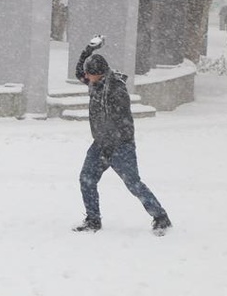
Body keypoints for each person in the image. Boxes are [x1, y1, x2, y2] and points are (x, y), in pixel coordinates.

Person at [73, 35, 172, 234]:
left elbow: (123, 125)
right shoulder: (94, 83)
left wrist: (112, 145)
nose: (86, 78)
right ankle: (93, 220)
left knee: (133, 184)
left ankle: (161, 217)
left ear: (99, 74)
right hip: (101, 144)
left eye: (89, 75)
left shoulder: (116, 90)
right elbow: (78, 72)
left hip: (121, 146)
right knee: (86, 178)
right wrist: (88, 50)